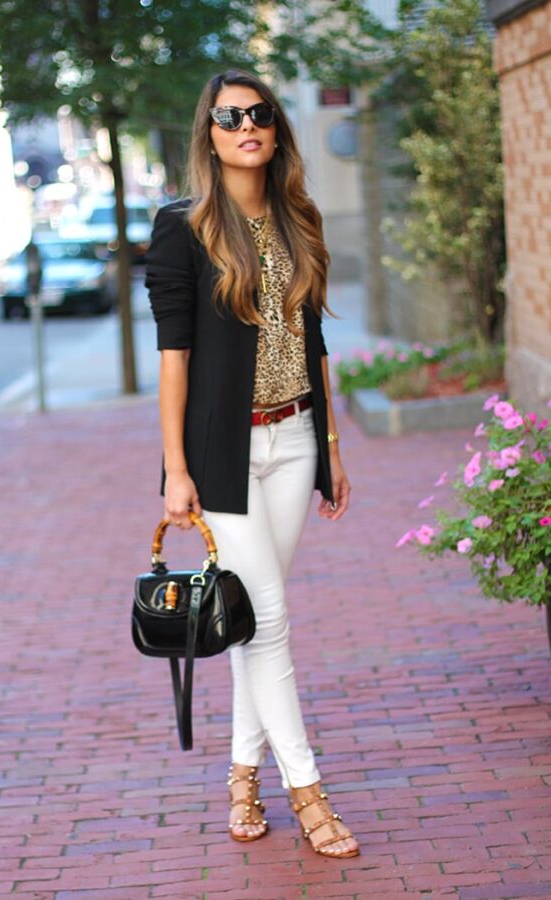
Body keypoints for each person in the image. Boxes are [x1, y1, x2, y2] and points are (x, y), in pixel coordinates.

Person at [145, 69, 359, 860]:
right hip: (220, 458)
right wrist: (175, 470)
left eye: (259, 113)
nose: (246, 126)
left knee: (247, 627)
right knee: (267, 622)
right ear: (209, 131)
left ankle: (242, 780)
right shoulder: (185, 226)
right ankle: (310, 795)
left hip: (295, 437)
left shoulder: (298, 216)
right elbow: (176, 358)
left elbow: (316, 344)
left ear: (276, 126)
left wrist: (330, 448)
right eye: (230, 116)